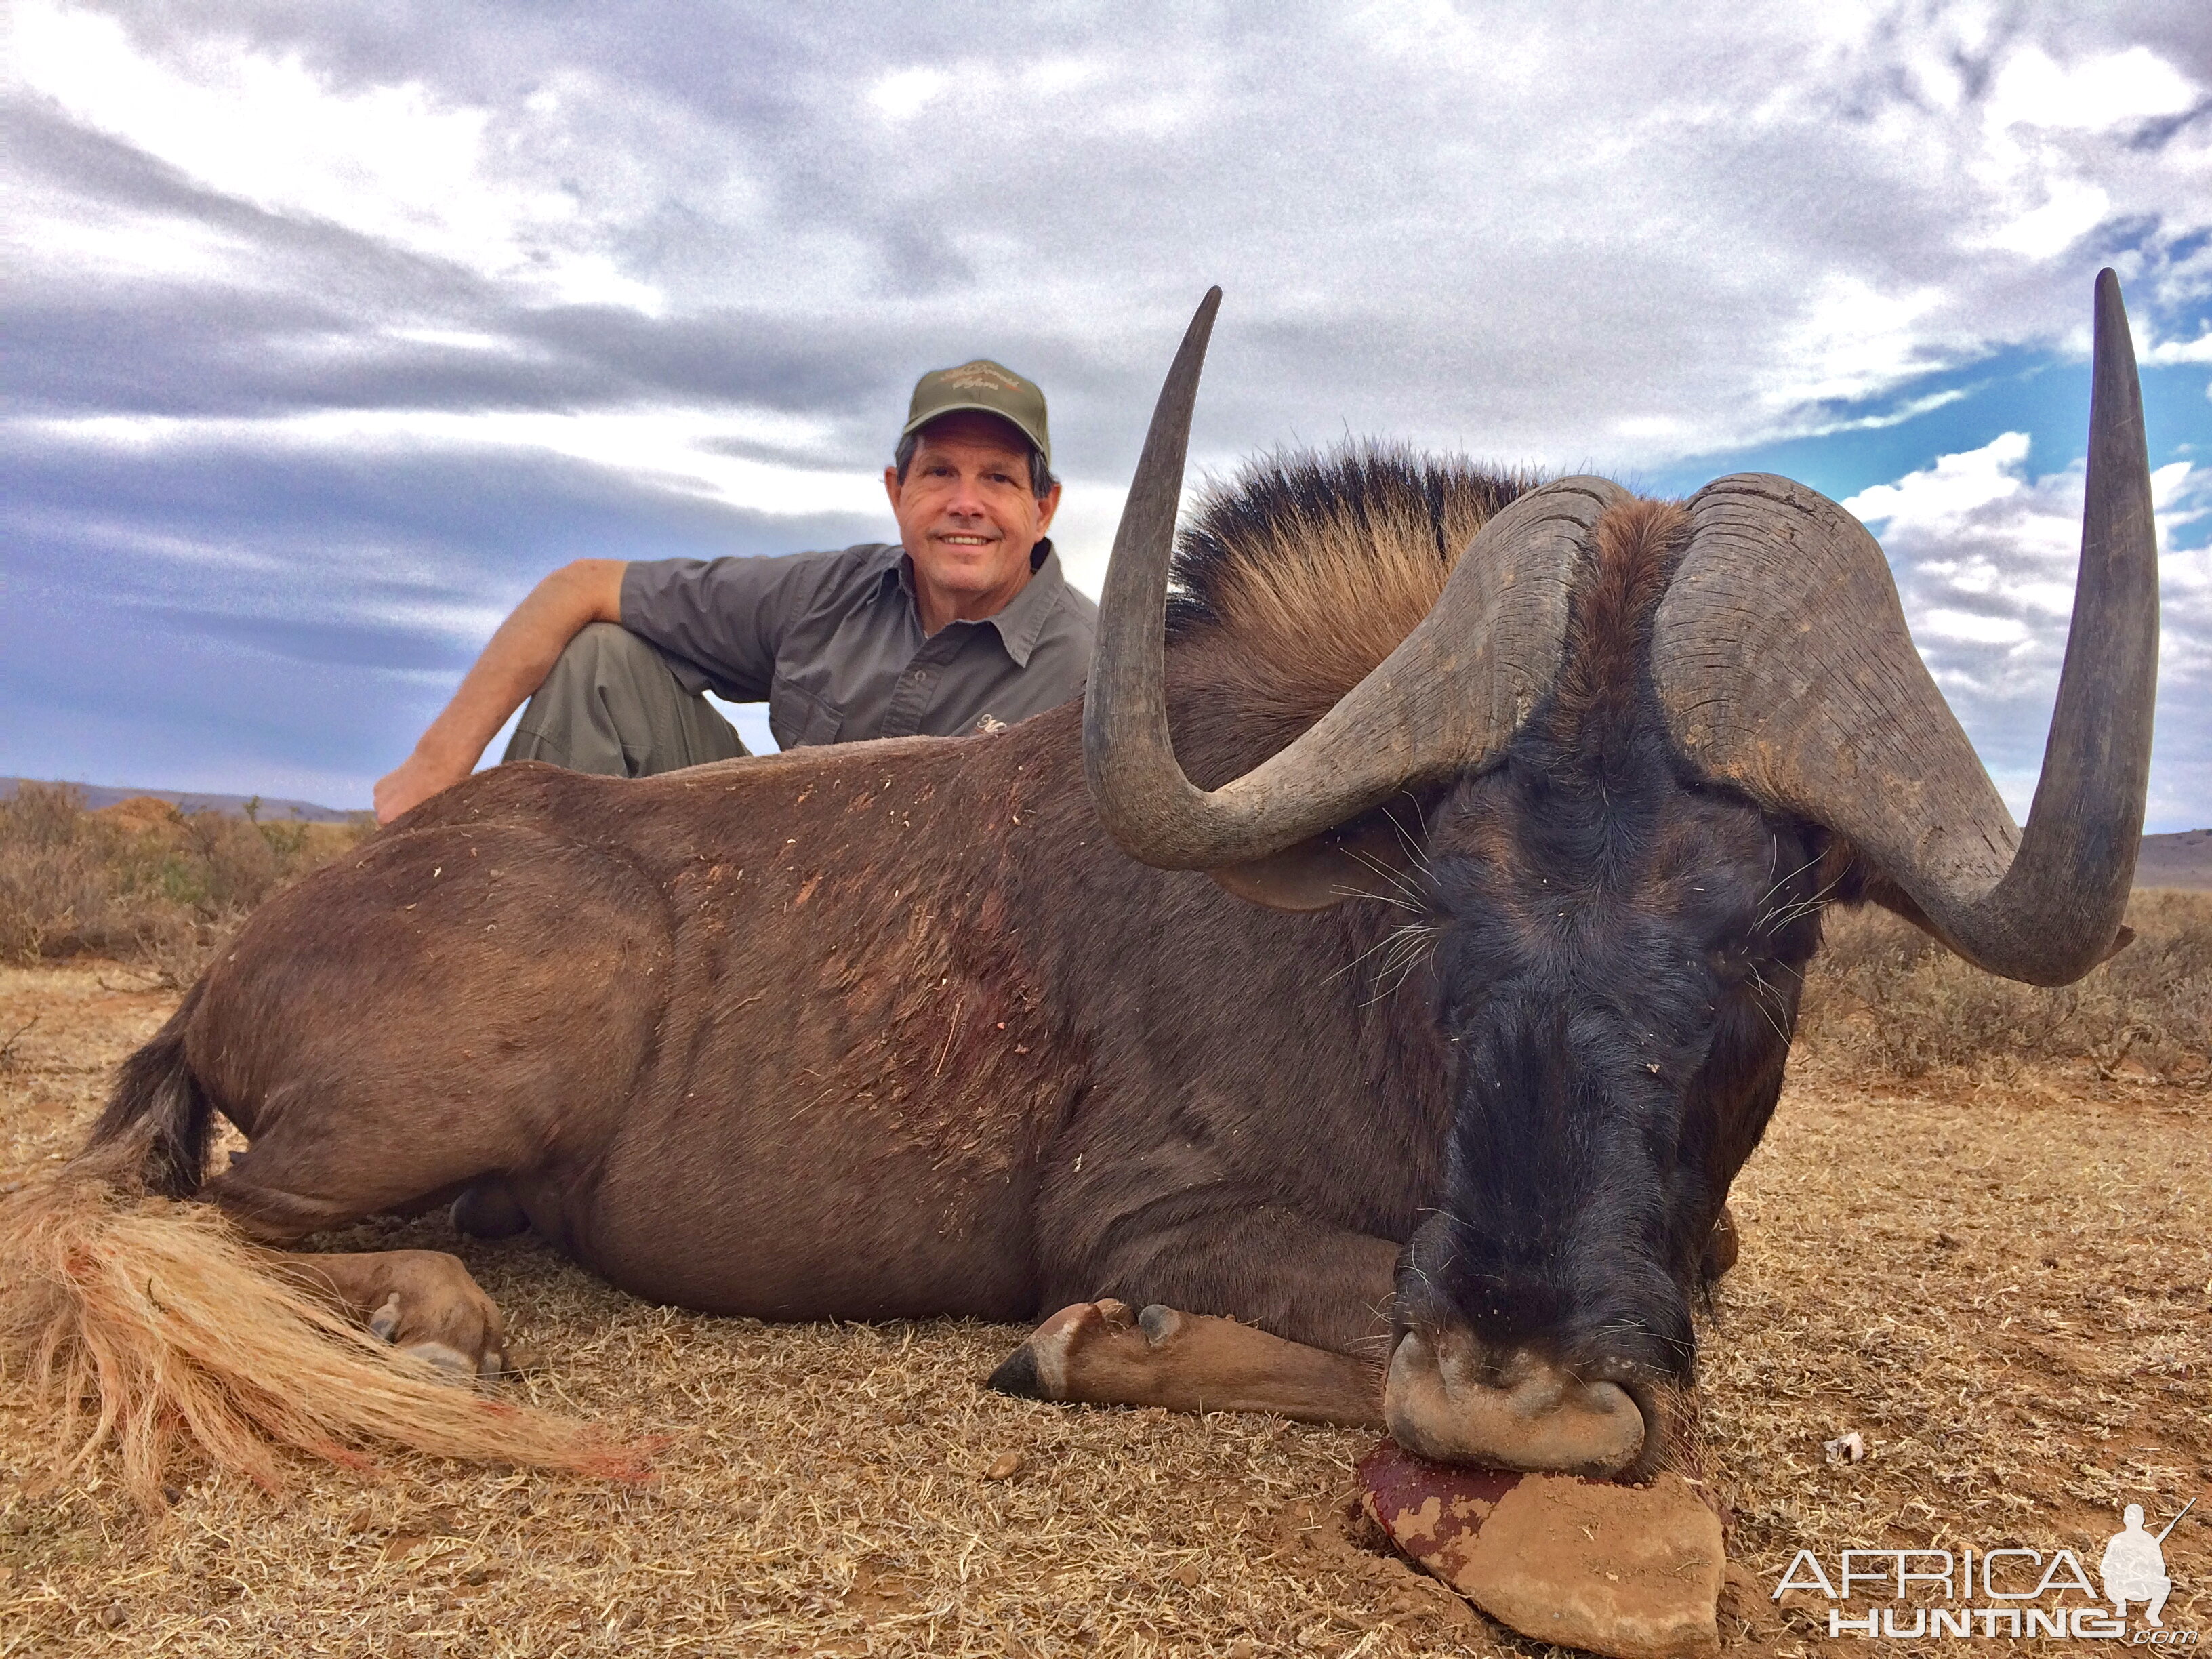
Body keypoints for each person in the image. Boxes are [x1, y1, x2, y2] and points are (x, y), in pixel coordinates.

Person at [373, 359, 1096, 824]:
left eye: (998, 478)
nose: (966, 503)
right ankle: (534, 967)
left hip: (951, 972)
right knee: (603, 662)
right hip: (763, 895)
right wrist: (435, 769)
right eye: (940, 473)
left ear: (1045, 509)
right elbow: (581, 585)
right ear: (896, 490)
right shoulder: (826, 593)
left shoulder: (1101, 670)